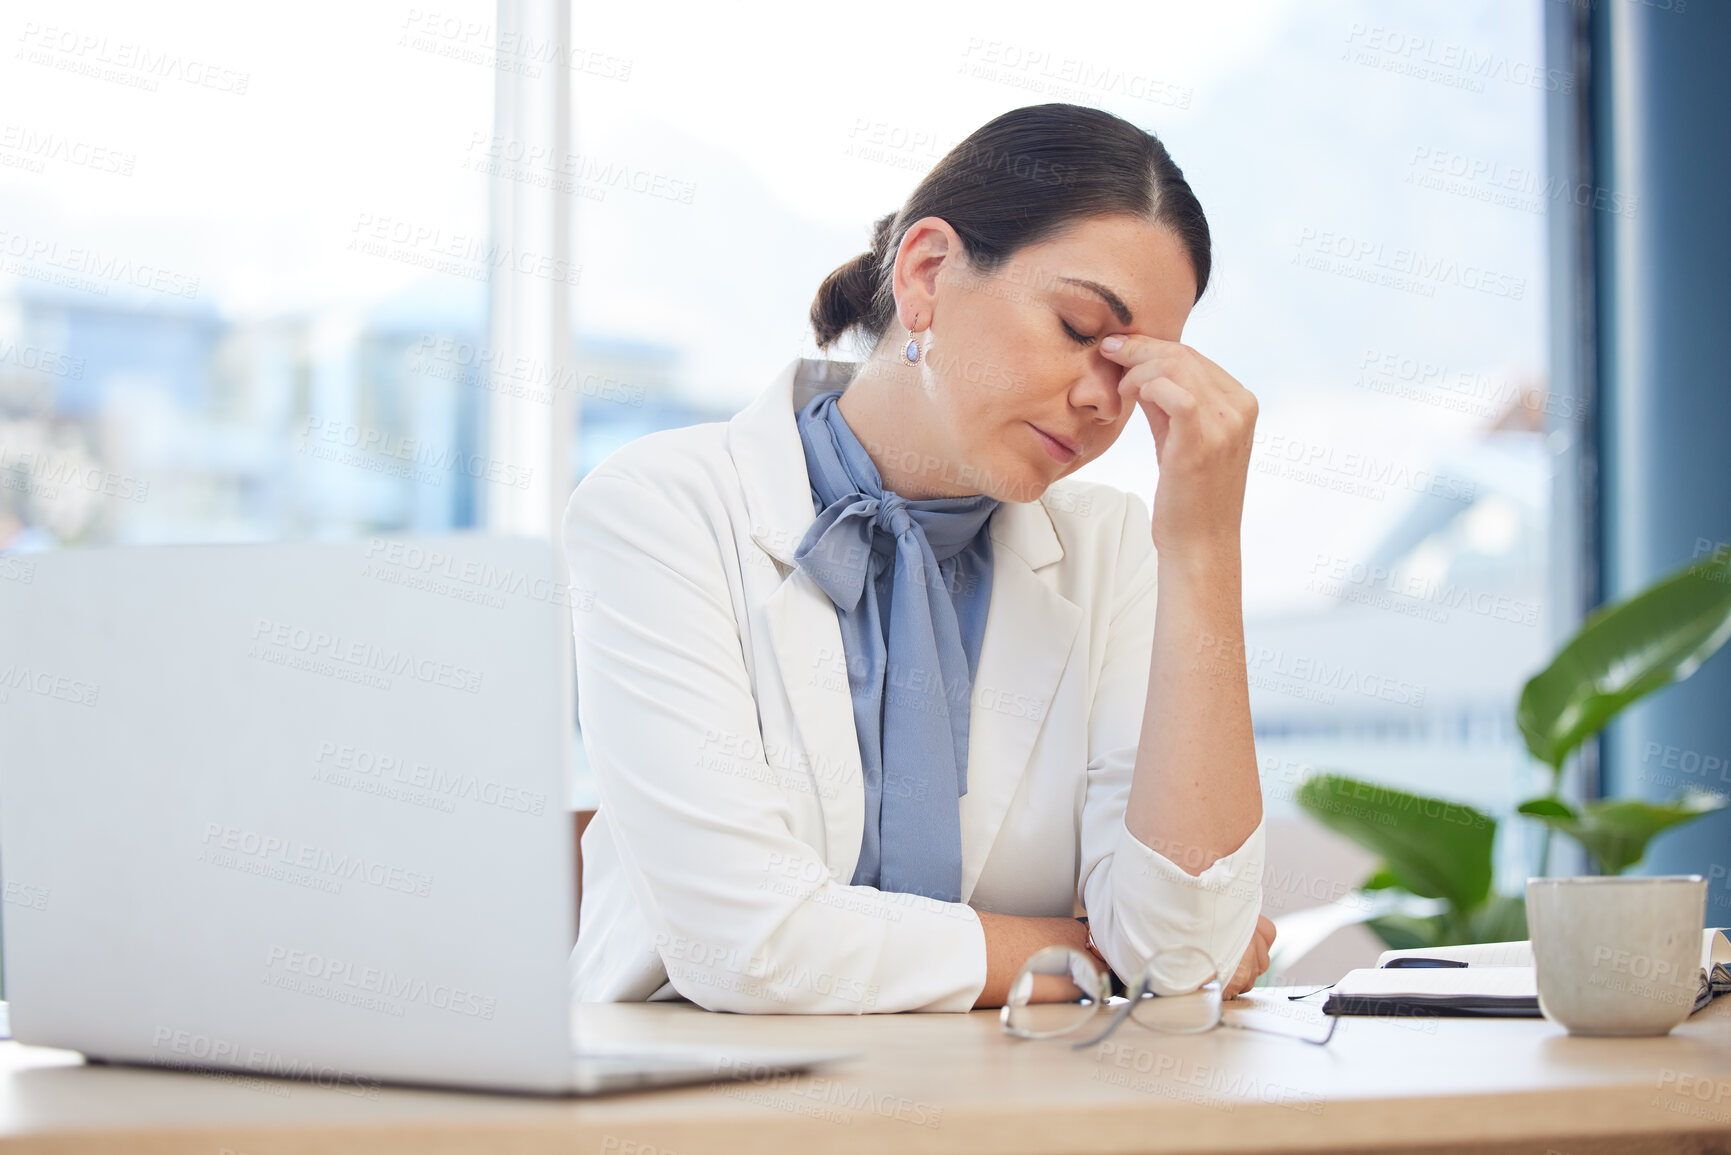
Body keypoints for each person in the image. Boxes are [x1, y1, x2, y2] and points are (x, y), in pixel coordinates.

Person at [563, 103, 1274, 1014]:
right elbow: (748, 946)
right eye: (1077, 328)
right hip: (699, 1109)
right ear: (927, 272)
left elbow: (1181, 957)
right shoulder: (663, 509)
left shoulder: (1114, 549)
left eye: (1136, 368)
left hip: (1009, 1112)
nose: (1105, 400)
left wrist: (1205, 550)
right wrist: (1091, 955)